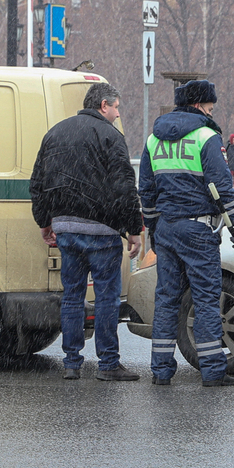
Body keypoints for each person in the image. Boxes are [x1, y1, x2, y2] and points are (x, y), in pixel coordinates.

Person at [30, 82, 143, 381]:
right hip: (101, 231)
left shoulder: (55, 133)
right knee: (106, 296)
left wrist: (45, 222)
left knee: (72, 295)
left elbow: (37, 184)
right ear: (103, 105)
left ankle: (71, 362)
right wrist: (134, 229)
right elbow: (123, 187)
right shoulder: (111, 137)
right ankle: (107, 364)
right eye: (116, 107)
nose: (118, 114)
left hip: (66, 229)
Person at [138, 79, 234, 387]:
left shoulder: (152, 140)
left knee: (167, 299)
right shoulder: (206, 136)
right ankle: (212, 371)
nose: (212, 113)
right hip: (199, 229)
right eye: (210, 108)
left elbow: (146, 189)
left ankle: (160, 370)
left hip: (167, 229)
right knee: (206, 299)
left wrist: (153, 227)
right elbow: (222, 185)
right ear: (199, 105)